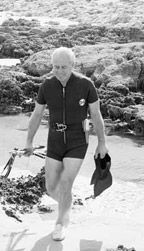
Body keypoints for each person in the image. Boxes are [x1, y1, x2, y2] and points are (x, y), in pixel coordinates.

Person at [24, 47, 108, 241]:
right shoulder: (47, 85)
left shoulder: (85, 85)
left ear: (72, 65)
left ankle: (61, 223)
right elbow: (37, 114)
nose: (59, 71)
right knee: (50, 187)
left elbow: (96, 114)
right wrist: (29, 141)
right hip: (54, 139)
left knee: (65, 182)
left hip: (78, 139)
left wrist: (102, 143)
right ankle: (68, 204)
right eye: (56, 66)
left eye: (63, 67)